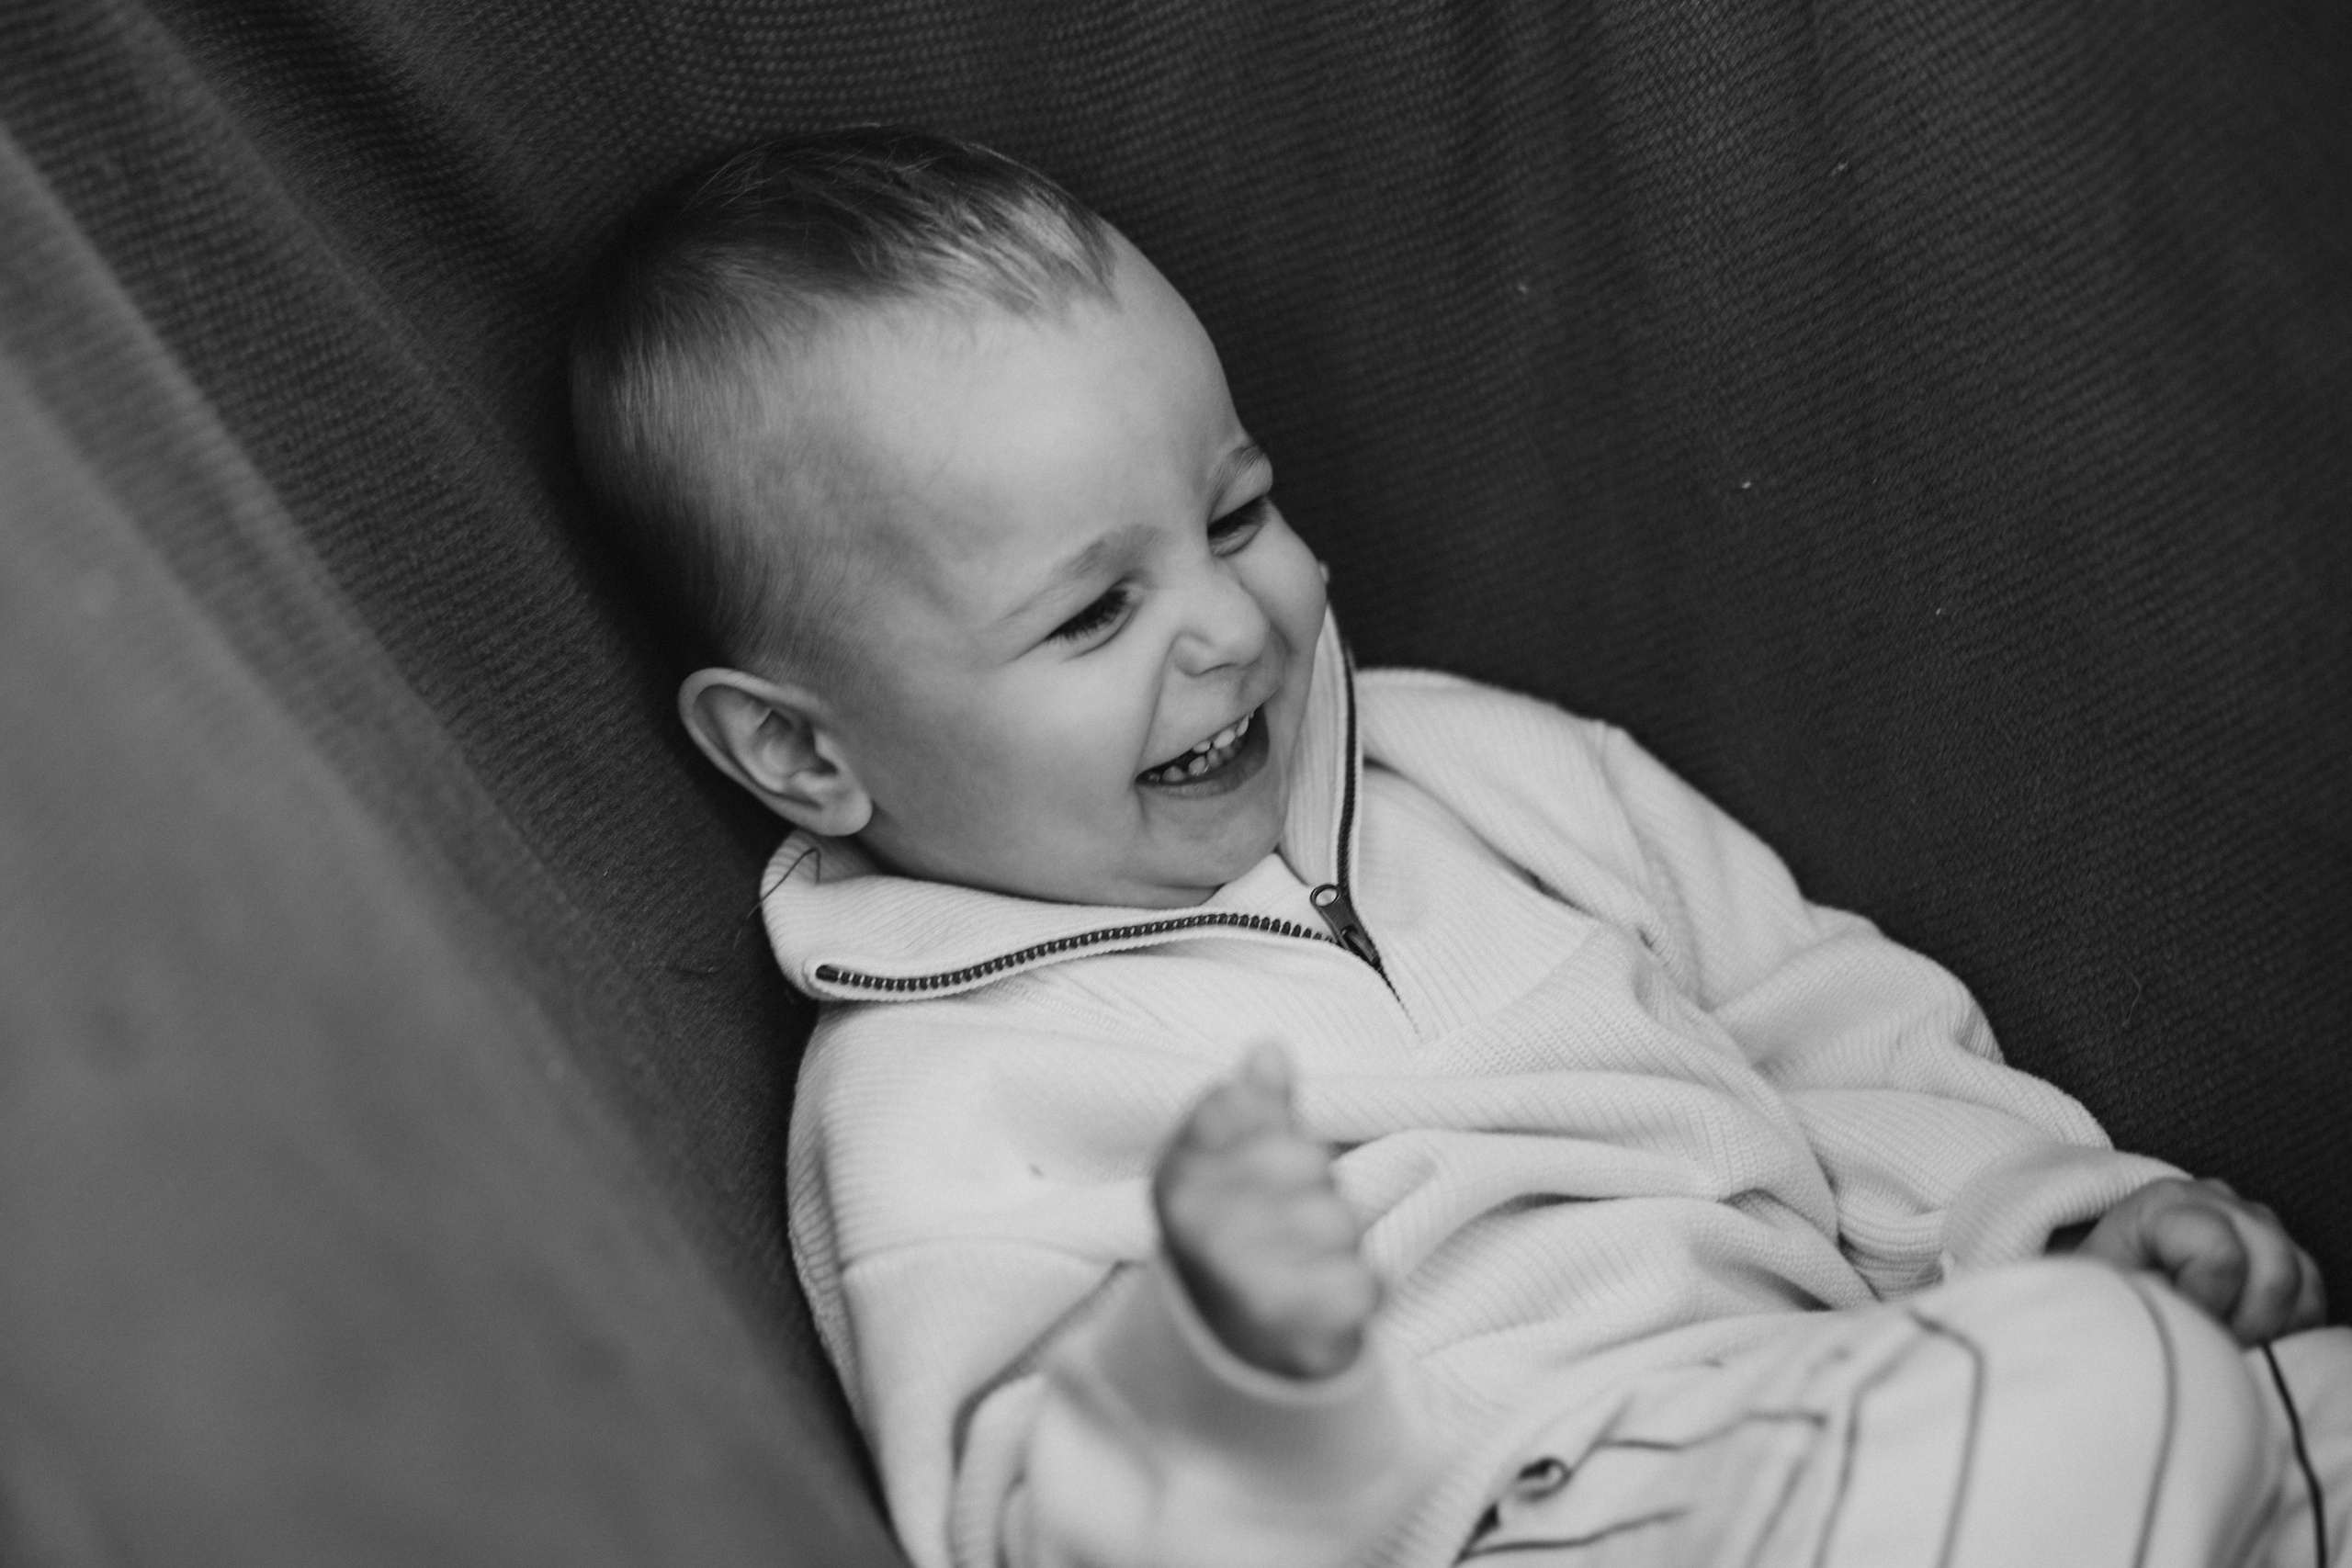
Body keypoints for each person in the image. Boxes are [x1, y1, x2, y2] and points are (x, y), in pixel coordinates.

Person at [570, 126, 2346, 1568]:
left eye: (1236, 514)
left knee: (2244, 1400)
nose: (1230, 623)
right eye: (1095, 612)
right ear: (803, 750)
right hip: (1507, 1514)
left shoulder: (1492, 773)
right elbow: (1017, 1505)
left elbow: (1839, 1027)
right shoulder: (942, 1088)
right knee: (2117, 1402)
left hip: (1850, 1405)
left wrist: (2064, 1220)